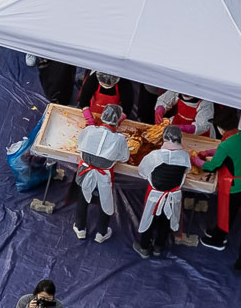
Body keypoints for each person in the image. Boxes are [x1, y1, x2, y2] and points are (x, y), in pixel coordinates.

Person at [197, 107, 241, 250]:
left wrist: (195, 160)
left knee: (226, 214)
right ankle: (218, 231)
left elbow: (212, 167)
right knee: (229, 213)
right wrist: (209, 152)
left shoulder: (225, 145)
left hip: (234, 186)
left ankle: (219, 241)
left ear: (221, 128)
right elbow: (230, 152)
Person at [132, 127, 194, 258]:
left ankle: (144, 247)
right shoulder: (185, 157)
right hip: (173, 196)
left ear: (164, 138)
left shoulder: (155, 156)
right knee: (166, 220)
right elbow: (186, 171)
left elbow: (142, 172)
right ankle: (158, 247)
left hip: (156, 196)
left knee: (150, 219)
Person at [74, 103, 130, 244]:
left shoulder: (90, 130)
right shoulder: (119, 139)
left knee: (83, 197)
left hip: (85, 171)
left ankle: (80, 228)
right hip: (103, 175)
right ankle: (102, 233)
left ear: (102, 116)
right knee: (105, 201)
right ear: (117, 120)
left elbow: (80, 145)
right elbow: (124, 157)